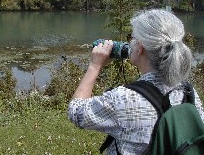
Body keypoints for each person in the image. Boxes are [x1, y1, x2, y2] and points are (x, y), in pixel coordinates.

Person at [67, 9, 204, 154]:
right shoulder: (188, 92)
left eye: (131, 38)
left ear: (139, 47)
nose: (129, 43)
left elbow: (76, 112)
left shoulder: (124, 98)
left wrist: (95, 66)